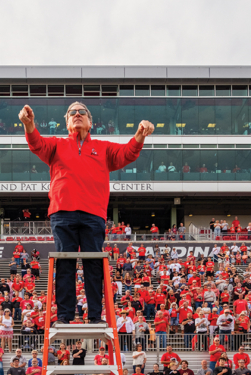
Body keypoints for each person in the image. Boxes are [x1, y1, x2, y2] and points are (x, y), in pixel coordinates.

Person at [20, 102, 153, 324]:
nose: (77, 114)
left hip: (93, 213)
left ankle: (94, 316)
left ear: (90, 122)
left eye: (82, 112)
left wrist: (140, 134)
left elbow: (127, 154)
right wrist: (29, 124)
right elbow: (36, 144)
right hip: (62, 212)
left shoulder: (103, 147)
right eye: (72, 112)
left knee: (94, 264)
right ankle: (63, 316)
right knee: (65, 263)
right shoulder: (56, 145)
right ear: (67, 122)